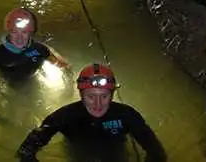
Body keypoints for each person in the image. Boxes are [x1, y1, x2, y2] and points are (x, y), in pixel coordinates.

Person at [16, 63, 167, 162]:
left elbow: (157, 153)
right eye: (91, 96)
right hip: (78, 153)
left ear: (112, 95)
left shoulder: (126, 115)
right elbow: (26, 150)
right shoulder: (65, 116)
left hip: (115, 154)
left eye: (104, 96)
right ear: (81, 95)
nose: (98, 104)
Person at [0, 7, 70, 81]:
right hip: (6, 85)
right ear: (8, 32)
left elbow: (64, 66)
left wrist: (69, 83)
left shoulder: (41, 49)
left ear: (31, 32)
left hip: (33, 81)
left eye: (24, 32)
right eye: (14, 32)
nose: (19, 38)